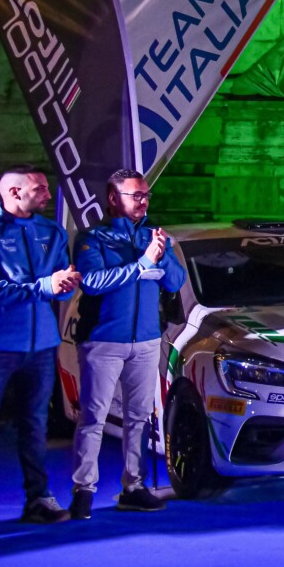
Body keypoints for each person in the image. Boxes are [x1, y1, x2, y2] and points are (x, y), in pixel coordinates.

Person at [0, 168, 80, 539]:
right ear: (14, 192)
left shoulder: (52, 232)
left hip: (42, 347)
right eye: (39, 188)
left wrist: (65, 284)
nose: (48, 194)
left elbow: (59, 286)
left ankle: (38, 499)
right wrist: (45, 286)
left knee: (35, 425)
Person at [68, 169, 187, 519]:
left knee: (139, 418)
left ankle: (133, 487)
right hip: (103, 342)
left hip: (146, 342)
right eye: (136, 195)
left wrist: (162, 256)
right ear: (113, 198)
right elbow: (92, 281)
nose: (143, 201)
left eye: (146, 195)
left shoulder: (154, 235)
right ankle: (83, 491)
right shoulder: (93, 237)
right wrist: (143, 263)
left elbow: (175, 281)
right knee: (93, 417)